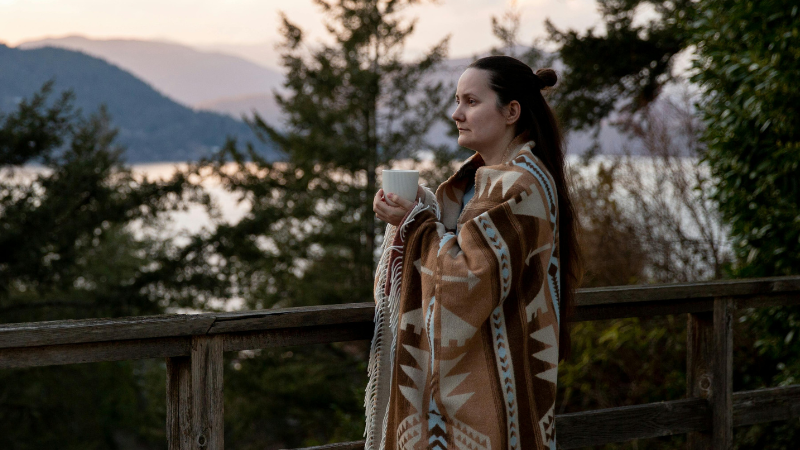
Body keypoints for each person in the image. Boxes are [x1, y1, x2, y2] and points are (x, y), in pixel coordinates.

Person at [367, 55, 582, 450]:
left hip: (496, 401)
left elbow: (464, 279)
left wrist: (415, 222)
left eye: (470, 101)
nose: (456, 113)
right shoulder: (475, 181)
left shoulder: (520, 187)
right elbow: (457, 244)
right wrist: (419, 210)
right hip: (465, 390)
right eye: (457, 100)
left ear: (511, 111)